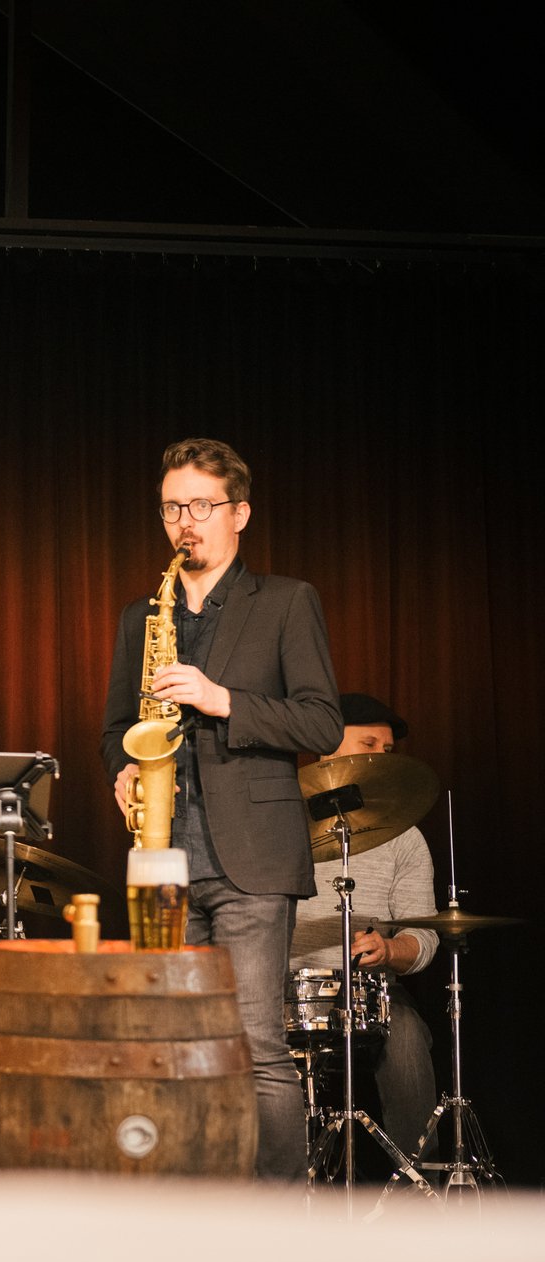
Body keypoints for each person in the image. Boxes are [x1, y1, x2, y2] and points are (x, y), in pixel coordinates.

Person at [101, 438, 342, 1181]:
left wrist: (221, 699)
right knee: (168, 1050)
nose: (185, 522)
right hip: (162, 858)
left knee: (256, 1048)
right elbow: (116, 729)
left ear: (240, 513)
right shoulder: (143, 616)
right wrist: (123, 771)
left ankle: (276, 1220)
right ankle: (189, 1212)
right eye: (172, 507)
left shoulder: (286, 600)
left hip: (252, 860)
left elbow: (321, 723)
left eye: (201, 506)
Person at [289, 692, 439, 1161]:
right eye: (368, 744)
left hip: (372, 994)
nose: (381, 756)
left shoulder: (405, 837)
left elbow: (425, 935)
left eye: (386, 749)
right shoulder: (279, 826)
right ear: (325, 749)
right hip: (285, 990)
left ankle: (419, 1187)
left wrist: (390, 951)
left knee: (408, 1038)